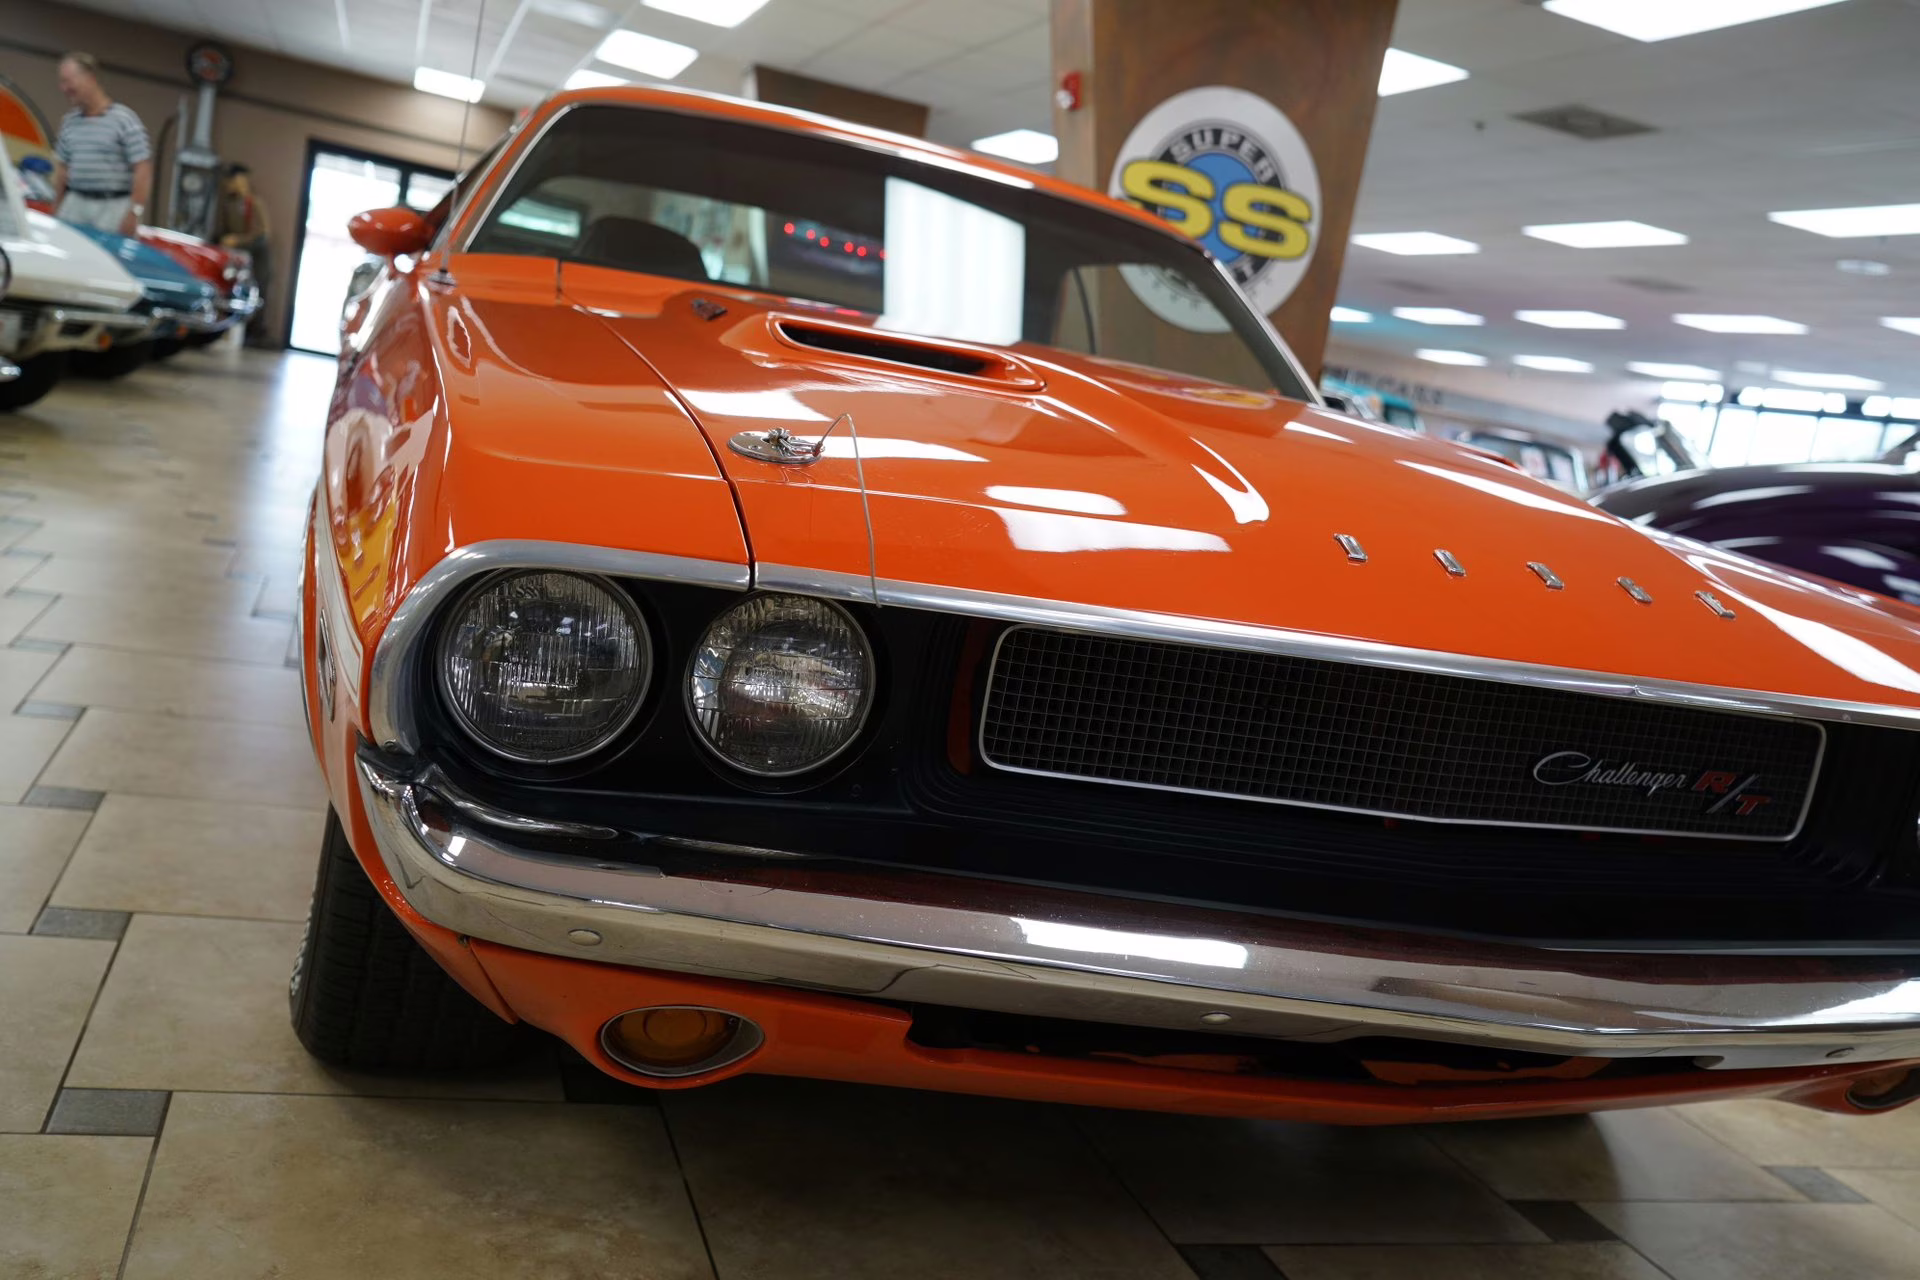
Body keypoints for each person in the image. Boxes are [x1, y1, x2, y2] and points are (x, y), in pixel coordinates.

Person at [50, 52, 152, 236]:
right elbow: (62, 170)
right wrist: (57, 206)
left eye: (68, 81)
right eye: (61, 82)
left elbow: (142, 169)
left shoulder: (124, 119)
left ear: (89, 79)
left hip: (113, 206)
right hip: (75, 203)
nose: (63, 88)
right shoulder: (69, 122)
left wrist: (134, 212)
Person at [217, 164, 273, 346]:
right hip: (238, 255)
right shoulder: (229, 205)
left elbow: (263, 232)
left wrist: (238, 240)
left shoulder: (254, 203)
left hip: (257, 254)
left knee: (259, 290)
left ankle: (254, 332)